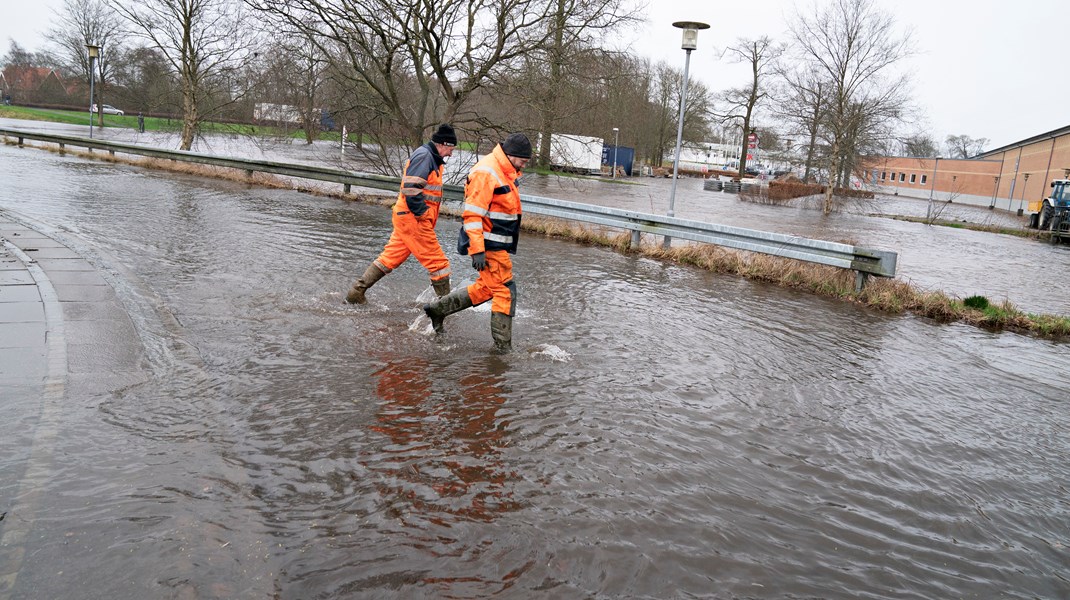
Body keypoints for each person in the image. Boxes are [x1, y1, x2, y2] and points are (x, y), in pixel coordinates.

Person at [423, 132, 531, 353]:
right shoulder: (487, 172)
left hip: (494, 243)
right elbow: (472, 216)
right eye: (522, 161)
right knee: (504, 290)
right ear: (510, 155)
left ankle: (437, 309)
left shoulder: (504, 170)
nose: (523, 166)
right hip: (488, 245)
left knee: (487, 288)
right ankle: (502, 349)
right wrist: (477, 250)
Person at [345, 123, 458, 304]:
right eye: (451, 149)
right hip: (413, 219)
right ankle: (446, 307)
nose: (451, 154)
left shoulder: (430, 157)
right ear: (442, 144)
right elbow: (412, 189)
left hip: (406, 218)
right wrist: (423, 214)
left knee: (390, 258)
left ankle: (356, 293)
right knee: (439, 264)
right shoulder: (425, 157)